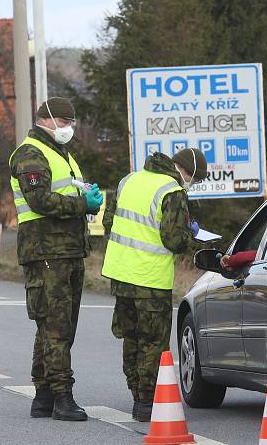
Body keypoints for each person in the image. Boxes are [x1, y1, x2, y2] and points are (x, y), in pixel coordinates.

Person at [8, 97, 104, 422]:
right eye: (65, 123)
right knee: (57, 327)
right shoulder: (30, 154)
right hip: (46, 252)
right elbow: (39, 200)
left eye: (70, 123)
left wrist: (87, 195)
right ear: (47, 120)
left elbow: (64, 191)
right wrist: (82, 206)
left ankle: (44, 396)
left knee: (52, 326)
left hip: (67, 250)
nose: (69, 129)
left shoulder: (60, 153)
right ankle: (63, 398)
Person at [101, 148, 208, 422]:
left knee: (131, 336)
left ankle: (136, 393)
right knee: (153, 341)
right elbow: (174, 240)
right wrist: (190, 234)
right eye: (194, 180)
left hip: (121, 274)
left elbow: (109, 222)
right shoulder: (172, 191)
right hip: (150, 279)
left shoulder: (129, 180)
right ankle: (147, 402)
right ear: (188, 172)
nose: (191, 185)